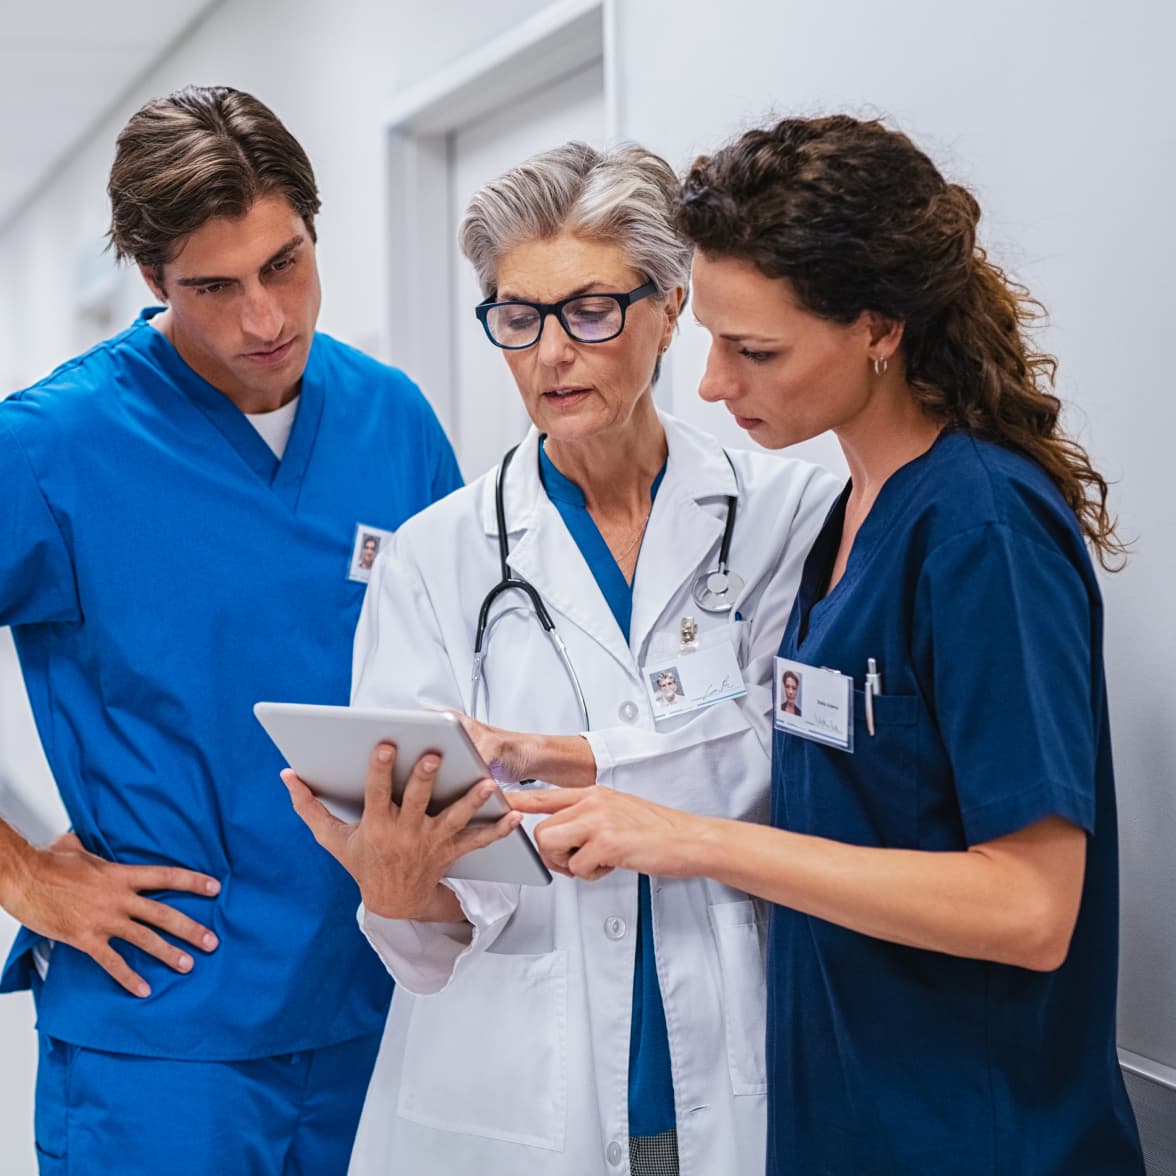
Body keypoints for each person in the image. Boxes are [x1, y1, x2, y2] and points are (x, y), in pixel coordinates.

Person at [509, 116, 1146, 1174]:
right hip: (848, 1125)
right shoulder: (845, 512)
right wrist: (600, 766)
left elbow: (1031, 907)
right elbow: (848, 781)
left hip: (979, 1139)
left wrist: (690, 841)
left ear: (878, 329)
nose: (712, 384)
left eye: (754, 350)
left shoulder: (978, 529)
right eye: (710, 338)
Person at [285, 141, 840, 1176]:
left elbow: (796, 771)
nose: (550, 353)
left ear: (673, 305)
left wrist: (588, 762)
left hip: (741, 1046)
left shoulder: (788, 519)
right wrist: (402, 890)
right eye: (518, 316)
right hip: (520, 1080)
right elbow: (429, 912)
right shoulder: (435, 560)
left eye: (591, 311)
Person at [0, 86, 461, 1175]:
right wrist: (22, 876)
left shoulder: (392, 418)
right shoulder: (53, 448)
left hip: (392, 998)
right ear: (153, 279)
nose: (266, 318)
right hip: (167, 1035)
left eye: (285, 264)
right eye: (214, 287)